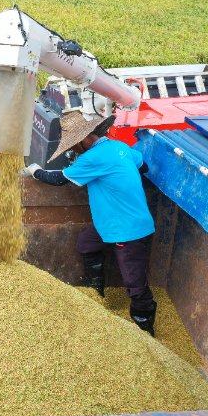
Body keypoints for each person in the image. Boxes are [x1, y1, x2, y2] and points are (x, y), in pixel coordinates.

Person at [23, 112, 158, 336]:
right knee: (86, 244)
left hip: (127, 230)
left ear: (84, 140)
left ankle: (145, 330)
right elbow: (143, 168)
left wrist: (35, 171)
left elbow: (58, 179)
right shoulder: (119, 147)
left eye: (72, 146)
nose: (72, 150)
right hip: (116, 220)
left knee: (135, 282)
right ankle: (97, 293)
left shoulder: (92, 158)